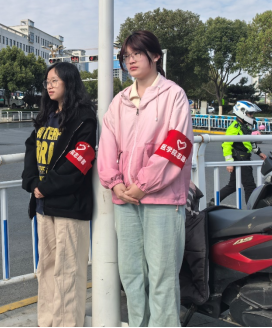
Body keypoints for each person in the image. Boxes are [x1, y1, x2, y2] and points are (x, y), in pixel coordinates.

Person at [98, 31, 194, 327]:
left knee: (162, 275)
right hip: (125, 199)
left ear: (155, 56)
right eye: (126, 56)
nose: (130, 60)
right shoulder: (119, 101)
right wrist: (115, 183)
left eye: (137, 53)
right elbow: (107, 146)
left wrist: (142, 186)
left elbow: (177, 144)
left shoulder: (174, 95)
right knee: (131, 274)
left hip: (163, 200)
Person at [22, 62, 97, 328]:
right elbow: (32, 147)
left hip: (69, 205)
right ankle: (47, 322)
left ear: (69, 82)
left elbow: (79, 161)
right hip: (44, 204)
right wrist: (32, 183)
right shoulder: (48, 114)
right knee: (46, 269)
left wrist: (45, 187)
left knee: (69, 272)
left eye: (55, 80)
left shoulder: (84, 118)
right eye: (47, 81)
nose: (50, 85)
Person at [219, 101, 267, 204]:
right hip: (240, 159)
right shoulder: (234, 127)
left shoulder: (245, 126)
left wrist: (259, 153)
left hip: (243, 158)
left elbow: (249, 142)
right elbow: (226, 145)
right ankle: (251, 209)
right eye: (250, 114)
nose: (252, 116)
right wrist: (229, 162)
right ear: (242, 113)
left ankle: (214, 201)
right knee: (250, 186)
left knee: (233, 186)